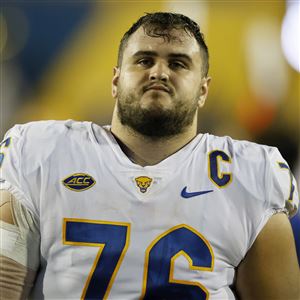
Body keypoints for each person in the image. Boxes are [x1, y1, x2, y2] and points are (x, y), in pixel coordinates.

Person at [0, 12, 299, 300]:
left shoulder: (251, 175)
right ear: (115, 81)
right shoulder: (42, 152)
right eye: (144, 60)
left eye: (179, 63)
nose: (159, 72)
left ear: (203, 90)